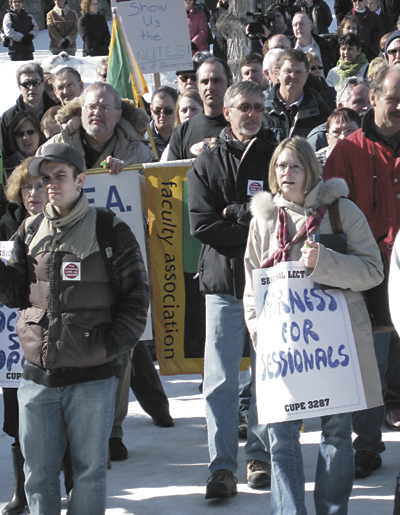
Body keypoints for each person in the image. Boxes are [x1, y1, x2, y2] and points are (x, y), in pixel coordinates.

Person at [0, 142, 149, 515]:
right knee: (37, 475)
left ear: (80, 179)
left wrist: (107, 349)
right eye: (46, 177)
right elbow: (18, 293)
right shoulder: (29, 228)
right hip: (37, 378)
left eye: (60, 176)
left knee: (88, 475)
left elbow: (137, 298)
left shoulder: (109, 228)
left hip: (92, 379)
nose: (51, 184)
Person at [243, 135, 383, 515]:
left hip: (335, 345)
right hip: (284, 348)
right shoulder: (265, 219)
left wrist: (325, 262)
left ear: (312, 171)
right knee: (281, 433)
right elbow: (252, 285)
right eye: (280, 166)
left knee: (337, 432)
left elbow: (373, 270)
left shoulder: (341, 211)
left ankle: (332, 509)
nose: (286, 173)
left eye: (294, 166)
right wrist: (259, 333)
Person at [187, 80, 277, 499]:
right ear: (228, 112)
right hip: (223, 285)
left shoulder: (277, 154)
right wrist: (255, 223)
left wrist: (237, 213)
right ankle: (221, 467)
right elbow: (203, 226)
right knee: (221, 380)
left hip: (269, 283)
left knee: (265, 375)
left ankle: (260, 454)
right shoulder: (206, 162)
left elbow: (283, 217)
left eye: (259, 106)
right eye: (244, 106)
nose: (253, 113)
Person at [324, 65, 400, 478]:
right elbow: (328, 216)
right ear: (373, 99)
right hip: (371, 272)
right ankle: (368, 444)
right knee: (371, 361)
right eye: (394, 98)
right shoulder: (347, 152)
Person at [0, 158, 48, 515]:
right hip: (12, 345)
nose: (33, 193)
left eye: (40, 185)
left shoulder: (63, 224)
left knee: (56, 416)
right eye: (27, 186)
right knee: (16, 418)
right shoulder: (4, 226)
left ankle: (64, 482)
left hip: (53, 339)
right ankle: (22, 490)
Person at [43, 81, 155, 172]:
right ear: (82, 110)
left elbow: (154, 189)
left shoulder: (138, 153)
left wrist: (126, 174)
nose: (97, 113)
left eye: (104, 108)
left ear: (118, 115)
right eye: (92, 107)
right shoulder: (56, 146)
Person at [168, 57, 232, 160]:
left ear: (230, 82)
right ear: (197, 85)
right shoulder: (181, 132)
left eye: (216, 80)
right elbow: (174, 174)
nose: (210, 87)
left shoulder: (242, 124)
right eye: (204, 82)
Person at [264, 49, 332, 142]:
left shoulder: (320, 110)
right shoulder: (262, 108)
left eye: (298, 72)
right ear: (278, 73)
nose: (293, 76)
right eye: (288, 71)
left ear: (307, 75)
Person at [0, 62, 56, 161]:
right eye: (26, 84)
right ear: (19, 87)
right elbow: (5, 154)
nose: (31, 88)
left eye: (36, 83)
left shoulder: (56, 112)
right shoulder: (8, 117)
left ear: (43, 83)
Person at [292, 11, 336, 77]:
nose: (298, 27)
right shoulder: (290, 48)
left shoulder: (326, 45)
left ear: (311, 26)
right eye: (295, 25)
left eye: (301, 24)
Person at [146, 86, 178, 159]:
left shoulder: (185, 136)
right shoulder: (141, 139)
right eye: (157, 110)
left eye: (168, 110)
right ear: (151, 110)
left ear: (177, 108)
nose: (162, 115)